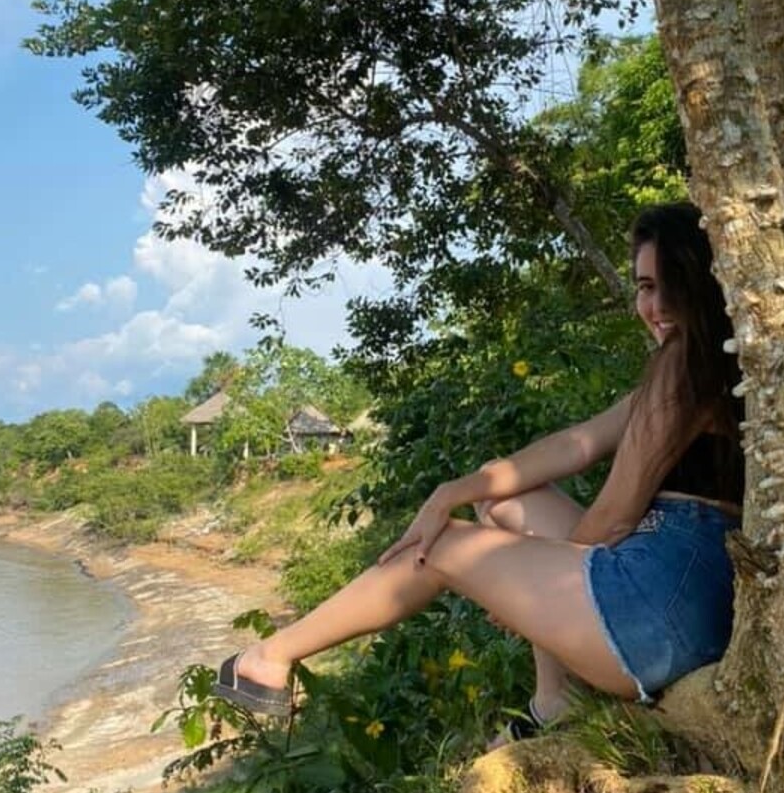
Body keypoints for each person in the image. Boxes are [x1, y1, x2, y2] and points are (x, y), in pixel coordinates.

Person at [214, 201, 744, 736]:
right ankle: (552, 700)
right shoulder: (719, 367)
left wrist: (530, 593)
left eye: (672, 284)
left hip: (657, 615)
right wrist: (453, 491)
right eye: (646, 286)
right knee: (502, 497)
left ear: (706, 283)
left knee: (440, 546)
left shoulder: (684, 365)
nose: (656, 305)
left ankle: (269, 657)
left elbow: (614, 518)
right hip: (691, 604)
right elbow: (576, 445)